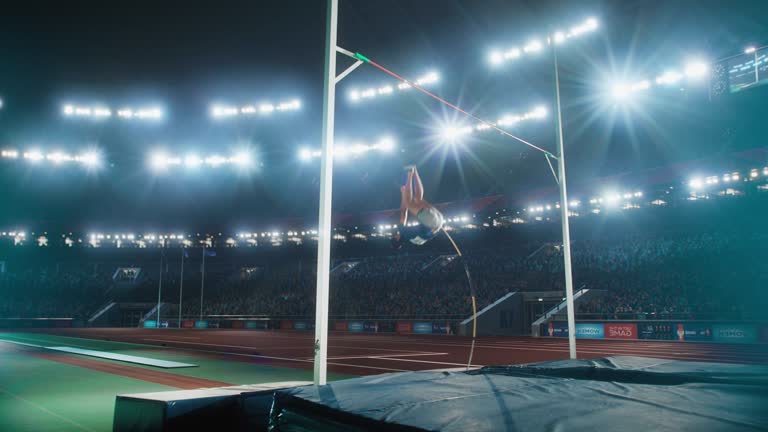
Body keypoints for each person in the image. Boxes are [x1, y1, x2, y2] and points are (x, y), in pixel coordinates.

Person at [391, 166, 445, 248]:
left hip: (439, 220)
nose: (395, 235)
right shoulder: (403, 233)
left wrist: (439, 225)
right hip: (429, 220)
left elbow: (433, 232)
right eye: (395, 236)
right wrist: (403, 194)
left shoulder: (418, 242)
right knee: (408, 203)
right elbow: (403, 213)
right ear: (397, 239)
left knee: (418, 199)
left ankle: (414, 170)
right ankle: (410, 173)